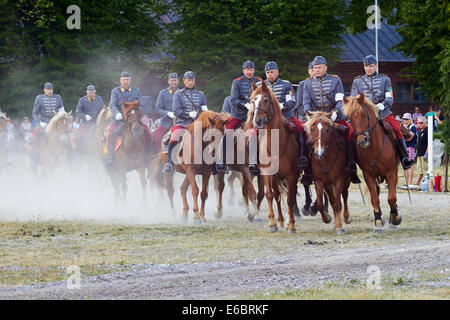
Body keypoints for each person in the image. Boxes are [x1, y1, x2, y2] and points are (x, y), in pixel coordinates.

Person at [351, 54, 413, 170]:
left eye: (371, 66)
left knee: (396, 127)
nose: (368, 68)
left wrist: (381, 105)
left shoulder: (385, 80)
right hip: (364, 115)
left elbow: (390, 98)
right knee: (350, 132)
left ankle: (404, 157)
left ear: (376, 66)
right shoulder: (358, 81)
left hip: (382, 113)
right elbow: (354, 100)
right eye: (366, 66)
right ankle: (350, 160)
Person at [304, 56, 360, 183]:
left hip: (333, 117)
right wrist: (310, 115)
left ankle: (351, 165)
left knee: (349, 134)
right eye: (315, 68)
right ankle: (307, 171)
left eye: (319, 67)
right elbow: (306, 103)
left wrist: (334, 112)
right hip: (316, 118)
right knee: (304, 138)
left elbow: (340, 100)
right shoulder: (307, 83)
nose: (317, 70)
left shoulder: (336, 81)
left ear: (325, 68)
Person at [257, 61, 308, 170]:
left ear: (277, 72)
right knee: (253, 133)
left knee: (300, 129)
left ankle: (302, 156)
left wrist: (280, 106)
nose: (270, 74)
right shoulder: (260, 86)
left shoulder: (286, 84)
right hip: (266, 117)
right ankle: (255, 161)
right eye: (268, 72)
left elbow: (291, 102)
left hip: (285, 115)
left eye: (272, 72)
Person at [215, 60, 261, 173]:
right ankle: (222, 161)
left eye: (251, 69)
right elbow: (234, 99)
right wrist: (245, 104)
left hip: (254, 114)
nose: (249, 72)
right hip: (239, 114)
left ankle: (255, 161)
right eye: (247, 70)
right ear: (243, 70)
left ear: (253, 70)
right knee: (229, 131)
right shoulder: (237, 82)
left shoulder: (259, 81)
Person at [162, 71, 208, 173]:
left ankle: (214, 163)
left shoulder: (201, 95)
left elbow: (205, 110)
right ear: (184, 81)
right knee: (174, 137)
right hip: (183, 123)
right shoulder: (178, 94)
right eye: (188, 80)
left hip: (197, 124)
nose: (190, 82)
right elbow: (176, 111)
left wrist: (203, 113)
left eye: (192, 80)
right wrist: (188, 114)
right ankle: (169, 163)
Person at [105, 71, 151, 167]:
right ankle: (111, 158)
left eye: (127, 79)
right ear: (120, 81)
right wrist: (117, 113)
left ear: (130, 81)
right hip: (119, 119)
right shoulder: (115, 91)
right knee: (110, 133)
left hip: (134, 119)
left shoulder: (136, 91)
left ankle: (147, 156)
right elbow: (112, 104)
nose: (126, 81)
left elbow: (141, 105)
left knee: (147, 131)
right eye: (124, 79)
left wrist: (137, 113)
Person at [31, 82, 65, 167]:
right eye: (48, 89)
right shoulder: (39, 98)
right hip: (44, 122)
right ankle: (35, 160)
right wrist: (39, 122)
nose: (50, 91)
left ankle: (70, 158)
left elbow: (62, 110)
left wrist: (61, 114)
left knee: (65, 136)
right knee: (36, 138)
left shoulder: (58, 97)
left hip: (56, 122)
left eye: (51, 89)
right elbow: (34, 113)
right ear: (44, 90)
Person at [153, 73, 179, 152]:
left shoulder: (182, 93)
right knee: (157, 136)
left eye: (175, 80)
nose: (173, 82)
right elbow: (157, 109)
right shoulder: (163, 93)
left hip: (180, 121)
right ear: (168, 81)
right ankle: (158, 155)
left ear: (178, 81)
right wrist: (168, 113)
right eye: (172, 80)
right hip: (166, 121)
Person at [402, 113, 417, 186]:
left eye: (407, 119)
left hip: (410, 147)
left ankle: (410, 182)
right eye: (404, 119)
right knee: (404, 165)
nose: (405, 120)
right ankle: (406, 182)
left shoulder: (412, 127)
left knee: (410, 165)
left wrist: (402, 138)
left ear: (410, 119)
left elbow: (410, 138)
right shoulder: (403, 127)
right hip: (404, 147)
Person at [415, 117, 428, 186]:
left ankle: (427, 184)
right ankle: (417, 184)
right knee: (419, 170)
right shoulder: (420, 132)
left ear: (425, 123)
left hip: (424, 154)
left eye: (421, 123)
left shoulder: (427, 131)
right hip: (419, 154)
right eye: (418, 123)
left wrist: (427, 153)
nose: (419, 124)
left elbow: (429, 144)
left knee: (425, 170)